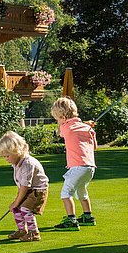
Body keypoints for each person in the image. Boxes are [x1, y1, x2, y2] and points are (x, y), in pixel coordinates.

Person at [49, 97, 97, 231]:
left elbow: (60, 133)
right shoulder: (88, 129)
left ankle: (71, 219)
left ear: (63, 117)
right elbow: (94, 147)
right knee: (81, 190)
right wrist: (87, 127)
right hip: (90, 168)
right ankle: (88, 216)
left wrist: (83, 125)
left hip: (77, 167)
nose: (58, 122)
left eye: (57, 119)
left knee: (66, 193)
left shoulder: (66, 127)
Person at [0, 131, 49, 242]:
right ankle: (22, 230)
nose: (6, 159)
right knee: (17, 209)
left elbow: (25, 186)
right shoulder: (16, 162)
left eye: (7, 156)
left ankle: (34, 233)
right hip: (28, 189)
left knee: (25, 209)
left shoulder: (27, 164)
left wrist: (16, 201)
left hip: (38, 191)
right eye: (4, 156)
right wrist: (16, 203)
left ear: (17, 151)